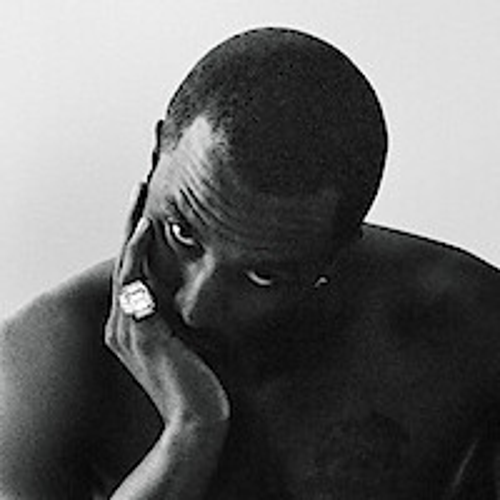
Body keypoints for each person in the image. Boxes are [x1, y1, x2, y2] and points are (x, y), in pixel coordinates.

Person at [1, 26, 500, 500]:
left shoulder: (468, 334)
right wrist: (191, 433)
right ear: (156, 157)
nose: (195, 306)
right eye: (182, 234)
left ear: (337, 252)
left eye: (263, 276)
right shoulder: (48, 357)